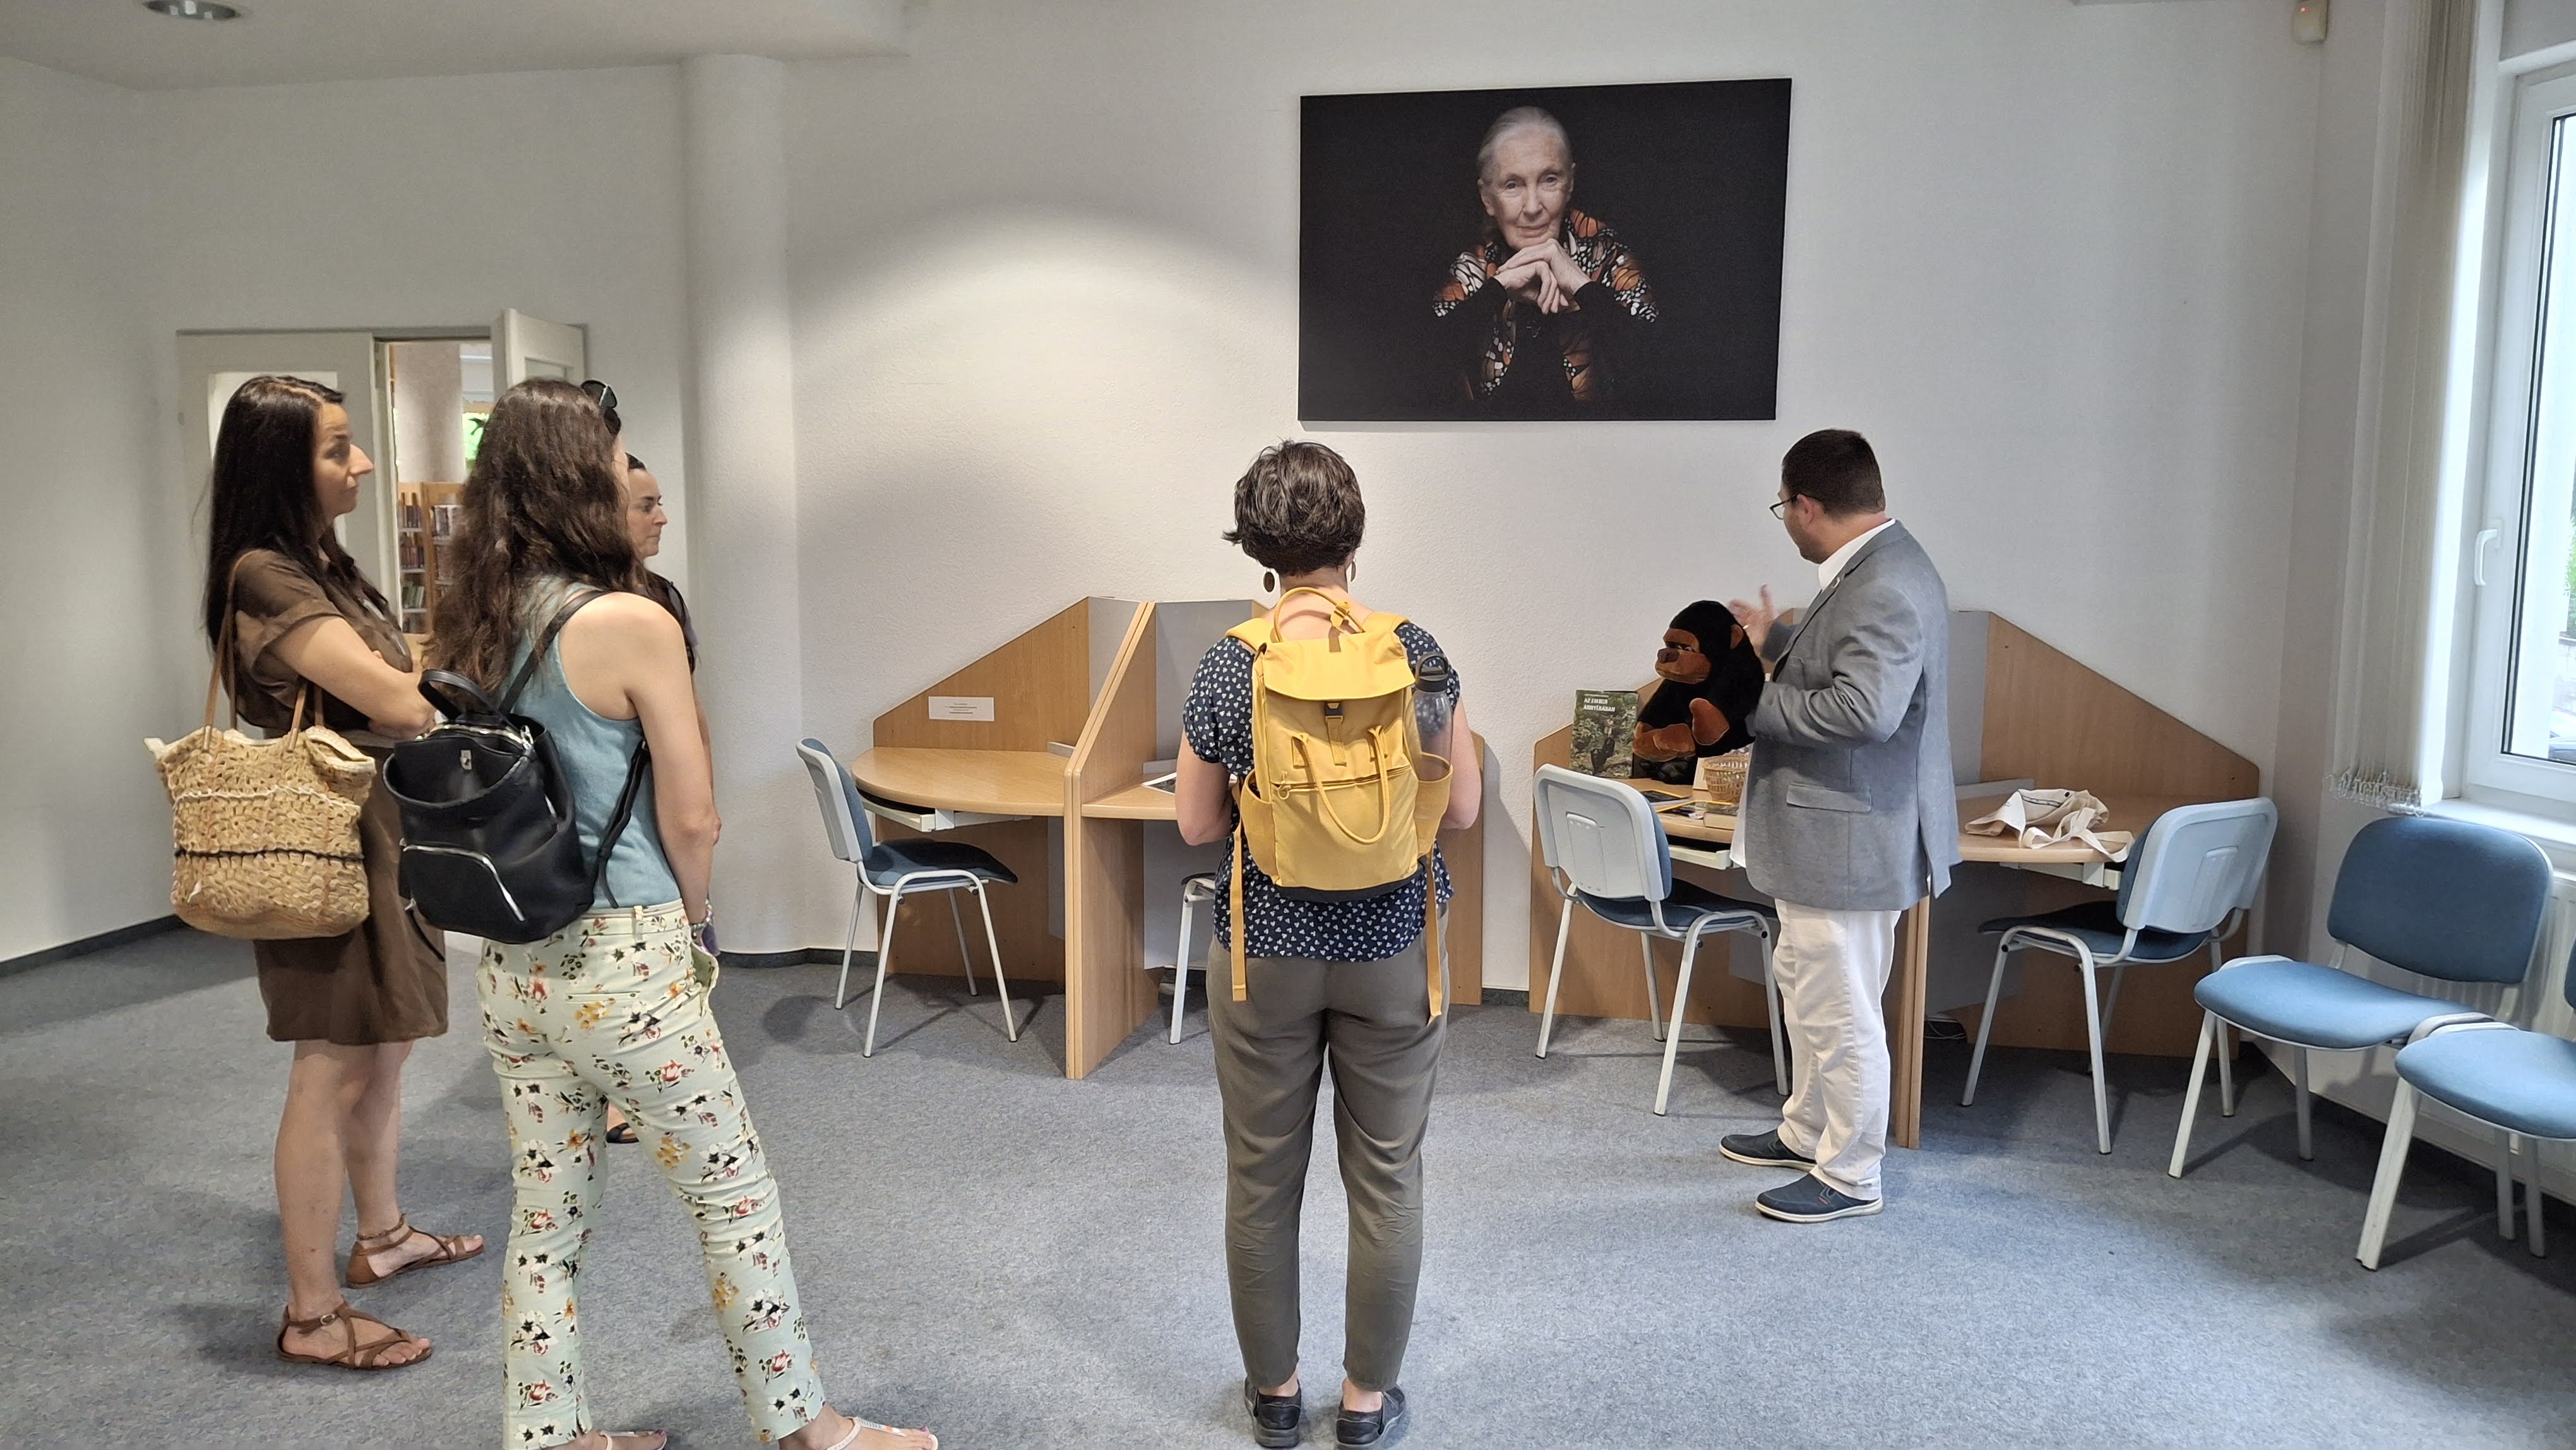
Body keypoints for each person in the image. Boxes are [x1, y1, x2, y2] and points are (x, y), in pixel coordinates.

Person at [435, 378, 933, 1450]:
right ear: (578, 475)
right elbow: (694, 815)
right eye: (615, 458)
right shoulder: (629, 620)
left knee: (547, 1219)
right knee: (732, 1196)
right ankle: (807, 1429)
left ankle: (551, 1436)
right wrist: (695, 922)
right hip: (628, 951)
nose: (630, 475)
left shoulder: (479, 616)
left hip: (513, 960)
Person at [1175, 441, 1482, 1449]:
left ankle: (1274, 1396)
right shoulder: (1417, 652)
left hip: (1264, 951)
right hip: (1393, 944)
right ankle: (1363, 1404)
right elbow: (1462, 808)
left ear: (1259, 548)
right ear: (1353, 537)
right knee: (1388, 1177)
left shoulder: (1231, 661)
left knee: (1261, 1177)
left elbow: (1195, 825)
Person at [201, 374, 485, 1372]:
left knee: (384, 1048)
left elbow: (406, 676)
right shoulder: (265, 575)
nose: (361, 463)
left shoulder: (321, 565)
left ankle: (384, 1234)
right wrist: (419, 684)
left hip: (381, 824)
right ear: (282, 467)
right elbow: (402, 703)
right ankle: (312, 1314)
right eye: (336, 448)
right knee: (333, 1065)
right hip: (331, 835)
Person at [1722, 429, 1958, 1223]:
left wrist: (1752, 702)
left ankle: (1852, 1174)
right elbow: (1851, 666)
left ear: (1807, 506)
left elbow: (1865, 710)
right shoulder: (1880, 566)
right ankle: (1807, 1130)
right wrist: (1777, 644)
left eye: (1783, 508)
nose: (1786, 521)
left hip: (1849, 838)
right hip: (1839, 832)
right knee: (1809, 986)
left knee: (1841, 1008)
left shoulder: (1881, 582)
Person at [599, 446, 708, 1147]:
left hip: (664, 798)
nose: (662, 517)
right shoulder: (588, 608)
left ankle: (650, 1081)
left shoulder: (662, 598)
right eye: (646, 505)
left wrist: (705, 797)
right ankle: (619, 1093)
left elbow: (691, 712)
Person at [1430, 105, 1657, 414]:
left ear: (1570, 184)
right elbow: (1421, 369)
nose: (1533, 207)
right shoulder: (1475, 265)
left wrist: (1580, 286)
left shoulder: (1606, 251)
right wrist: (1499, 288)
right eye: (1512, 185)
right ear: (1487, 198)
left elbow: (1661, 371)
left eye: (1549, 180)